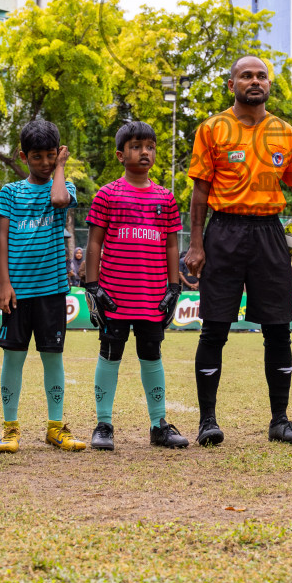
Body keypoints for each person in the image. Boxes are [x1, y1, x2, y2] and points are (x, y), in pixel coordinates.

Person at [184, 55, 292, 448]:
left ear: (270, 84)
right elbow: (200, 191)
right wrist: (196, 242)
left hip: (270, 232)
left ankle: (280, 420)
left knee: (278, 328)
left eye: (261, 75)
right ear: (231, 83)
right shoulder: (213, 128)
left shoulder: (284, 132)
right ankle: (207, 421)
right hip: (225, 232)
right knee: (214, 327)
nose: (255, 81)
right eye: (246, 75)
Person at [83, 120, 189, 450]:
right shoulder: (107, 194)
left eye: (150, 147)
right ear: (120, 154)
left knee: (151, 354)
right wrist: (92, 286)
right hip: (114, 294)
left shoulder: (165, 198)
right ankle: (103, 425)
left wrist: (174, 288)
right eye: (136, 146)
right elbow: (94, 243)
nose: (144, 152)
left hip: (151, 296)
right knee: (110, 354)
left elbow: (172, 245)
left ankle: (159, 425)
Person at [0, 119, 84, 453]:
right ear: (23, 156)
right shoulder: (10, 192)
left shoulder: (64, 184)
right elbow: (0, 240)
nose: (44, 163)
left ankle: (55, 427)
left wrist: (60, 168)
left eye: (50, 156)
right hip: (17, 291)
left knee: (52, 358)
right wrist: (3, 283)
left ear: (58, 155)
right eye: (37, 157)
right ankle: (9, 427)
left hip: (52, 290)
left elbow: (59, 200)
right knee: (13, 359)